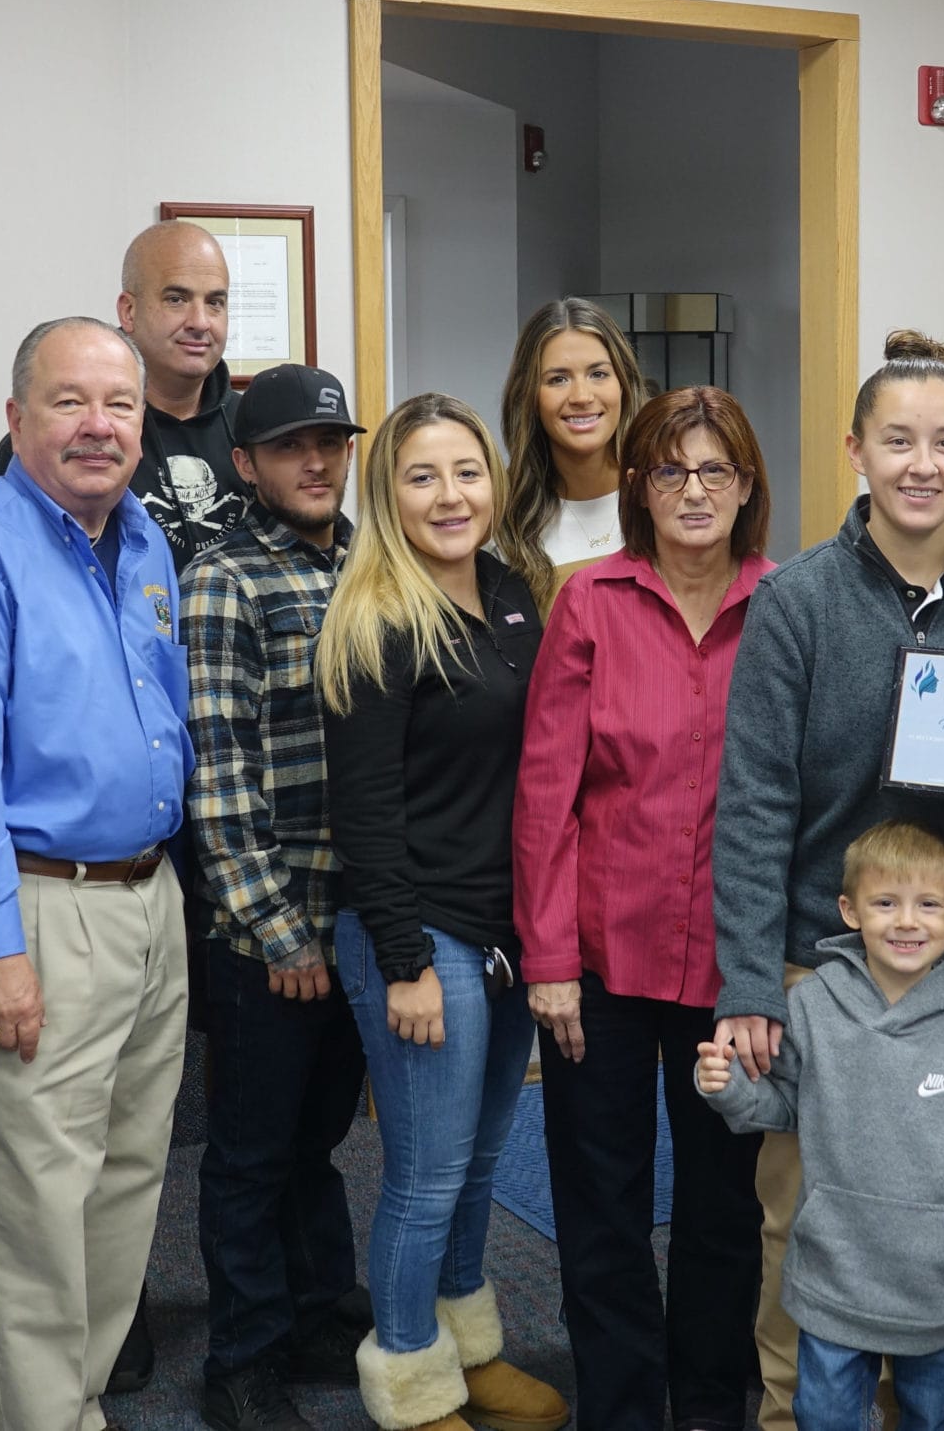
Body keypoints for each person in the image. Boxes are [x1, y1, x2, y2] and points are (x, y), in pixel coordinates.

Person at [712, 329, 944, 1431]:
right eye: (899, 440)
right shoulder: (798, 601)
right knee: (803, 1214)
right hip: (820, 967)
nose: (923, 463)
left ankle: (931, 1415)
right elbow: (755, 800)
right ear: (857, 451)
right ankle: (790, 1420)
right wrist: (748, 987)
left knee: (940, 1205)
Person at [0, 318, 195, 1431]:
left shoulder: (146, 545)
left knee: (125, 1180)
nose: (98, 426)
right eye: (69, 402)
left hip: (147, 898)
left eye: (118, 406)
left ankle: (73, 1407)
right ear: (15, 417)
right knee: (33, 1206)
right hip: (36, 905)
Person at [513, 386, 776, 1431]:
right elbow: (546, 795)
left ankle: (711, 1401)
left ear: (748, 486)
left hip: (734, 965)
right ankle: (620, 1406)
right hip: (601, 962)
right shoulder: (591, 603)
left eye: (717, 470)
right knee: (602, 1202)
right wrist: (544, 959)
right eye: (671, 470)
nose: (695, 490)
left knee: (722, 1204)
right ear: (639, 488)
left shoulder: (786, 601)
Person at [315, 394, 567, 1431]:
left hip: (506, 934)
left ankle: (469, 1347)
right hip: (422, 938)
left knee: (476, 1161)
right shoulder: (376, 617)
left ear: (494, 481)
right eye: (421, 476)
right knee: (422, 1175)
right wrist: (407, 959)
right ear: (387, 494)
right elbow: (362, 816)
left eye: (466, 471)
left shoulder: (513, 595)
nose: (449, 495)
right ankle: (410, 1382)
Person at [182, 364, 375, 1431]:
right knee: (251, 1151)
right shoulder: (225, 579)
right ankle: (242, 1355)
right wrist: (276, 930)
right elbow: (218, 776)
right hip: (272, 927)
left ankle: (316, 1310)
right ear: (246, 464)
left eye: (332, 442)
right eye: (293, 446)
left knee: (318, 1138)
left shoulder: (373, 566)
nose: (317, 461)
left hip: (363, 921)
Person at [696, 822, 944, 1431]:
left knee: (930, 1417)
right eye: (886, 903)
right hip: (834, 1271)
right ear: (850, 910)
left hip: (932, 1280)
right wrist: (731, 1090)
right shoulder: (811, 1005)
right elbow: (786, 1108)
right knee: (822, 1417)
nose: (907, 922)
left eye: (928, 905)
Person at [0, 219, 247, 572]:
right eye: (176, 299)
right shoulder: (64, 434)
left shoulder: (254, 427)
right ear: (128, 311)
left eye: (215, 303)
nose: (200, 321)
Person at [498, 297, 649, 613]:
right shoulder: (503, 521)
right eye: (558, 379)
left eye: (598, 374)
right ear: (529, 396)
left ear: (624, 383)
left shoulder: (667, 495)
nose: (581, 396)